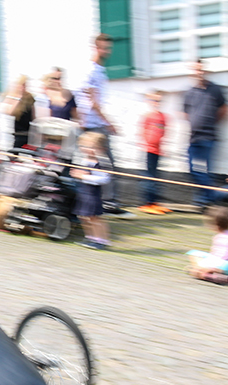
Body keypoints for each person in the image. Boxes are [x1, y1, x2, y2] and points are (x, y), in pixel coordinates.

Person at [76, 34, 130, 217]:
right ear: (96, 48)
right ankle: (109, 203)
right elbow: (92, 102)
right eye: (103, 48)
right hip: (94, 126)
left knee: (97, 164)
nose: (107, 51)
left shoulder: (99, 70)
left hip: (93, 124)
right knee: (106, 165)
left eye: (109, 48)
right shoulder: (91, 70)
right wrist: (109, 123)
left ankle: (102, 203)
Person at [183, 59, 228, 207]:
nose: (199, 73)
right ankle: (211, 196)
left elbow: (225, 110)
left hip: (208, 136)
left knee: (205, 169)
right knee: (193, 168)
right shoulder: (190, 92)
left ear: (205, 71)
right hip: (194, 137)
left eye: (201, 70)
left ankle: (205, 199)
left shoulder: (215, 89)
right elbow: (186, 113)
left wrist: (210, 123)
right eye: (196, 70)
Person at [187, 206, 228, 284]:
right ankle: (206, 274)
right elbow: (214, 255)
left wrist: (206, 267)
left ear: (215, 225)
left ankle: (202, 272)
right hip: (224, 267)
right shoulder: (226, 236)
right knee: (194, 253)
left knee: (223, 264)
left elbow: (223, 257)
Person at [72, 132, 112, 250]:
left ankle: (102, 240)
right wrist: (77, 174)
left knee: (95, 218)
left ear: (100, 148)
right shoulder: (84, 160)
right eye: (83, 146)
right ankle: (90, 237)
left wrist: (84, 177)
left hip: (92, 194)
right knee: (82, 216)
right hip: (83, 192)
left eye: (91, 147)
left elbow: (104, 179)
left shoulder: (101, 162)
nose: (86, 149)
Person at [138, 90, 170, 214]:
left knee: (155, 176)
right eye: (154, 100)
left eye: (159, 100)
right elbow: (143, 132)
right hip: (148, 150)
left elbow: (162, 132)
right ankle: (147, 202)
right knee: (148, 176)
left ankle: (154, 202)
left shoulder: (163, 117)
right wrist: (147, 144)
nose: (157, 103)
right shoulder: (148, 116)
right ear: (149, 102)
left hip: (157, 151)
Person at [0, 75, 35, 149]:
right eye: (22, 84)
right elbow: (10, 112)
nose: (24, 87)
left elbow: (33, 116)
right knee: (13, 154)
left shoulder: (29, 97)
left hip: (26, 133)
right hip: (13, 134)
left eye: (25, 85)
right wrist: (18, 98)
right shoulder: (9, 97)